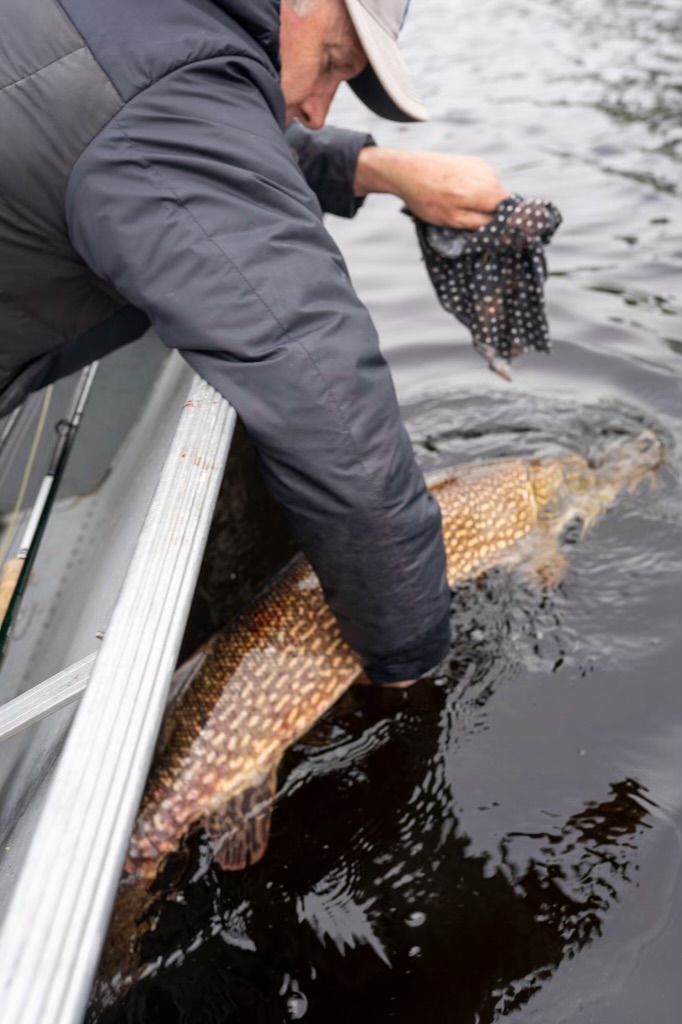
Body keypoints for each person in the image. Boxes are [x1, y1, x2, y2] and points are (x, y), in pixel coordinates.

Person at [0, 0, 506, 685]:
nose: (321, 109)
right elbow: (330, 411)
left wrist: (382, 169)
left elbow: (172, 121)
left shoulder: (150, 29)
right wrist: (409, 656)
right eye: (332, 64)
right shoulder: (170, 108)